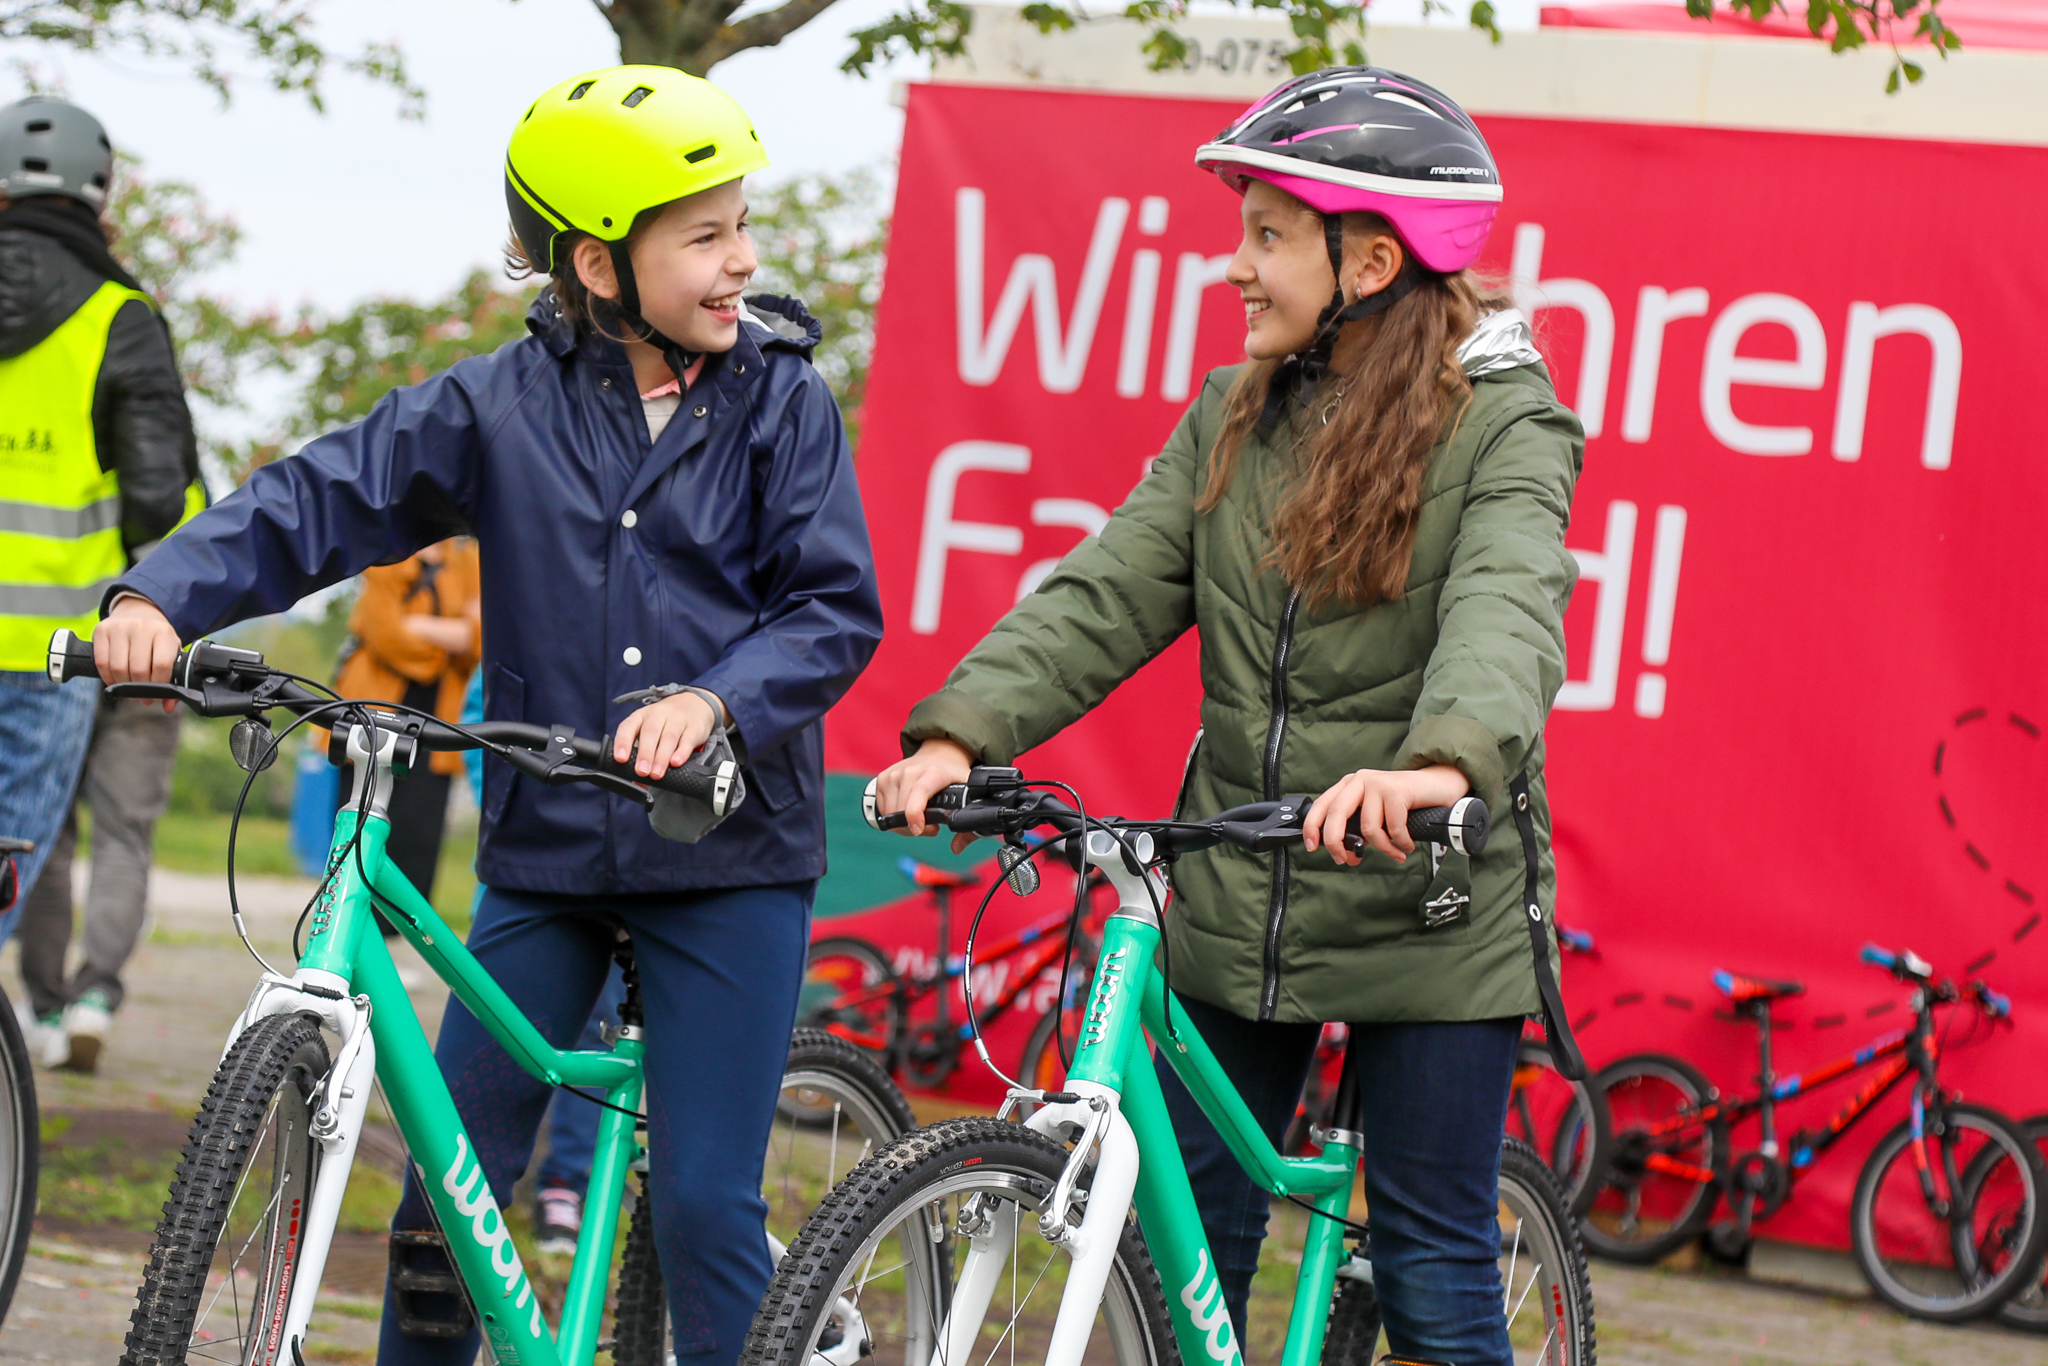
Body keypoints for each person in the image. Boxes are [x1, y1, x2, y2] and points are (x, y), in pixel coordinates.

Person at [92, 64, 881, 1366]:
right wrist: (163, 593)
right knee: (440, 1210)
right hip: (552, 850)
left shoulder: (780, 405)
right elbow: (317, 498)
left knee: (697, 1207)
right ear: (601, 263)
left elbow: (831, 611)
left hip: (727, 857)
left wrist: (713, 700)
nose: (743, 258)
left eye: (746, 224)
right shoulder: (496, 407)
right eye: (709, 235)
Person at [875, 68, 1583, 1366]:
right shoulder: (1236, 417)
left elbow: (1508, 608)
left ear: (1368, 260)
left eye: (1267, 234)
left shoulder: (1507, 431)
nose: (1237, 267)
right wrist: (960, 730)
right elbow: (1106, 588)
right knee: (1179, 1245)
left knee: (1429, 1277)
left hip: (1423, 895)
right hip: (1239, 886)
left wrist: (1437, 765)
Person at [0, 95, 198, 955]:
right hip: (50, 651)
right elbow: (162, 495)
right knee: (10, 860)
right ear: (100, 199)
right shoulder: (120, 316)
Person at [320, 536, 481, 926]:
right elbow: (387, 637)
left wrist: (421, 626)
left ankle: (393, 946)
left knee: (419, 836)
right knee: (356, 824)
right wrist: (450, 640)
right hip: (371, 718)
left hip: (437, 722)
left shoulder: (473, 562)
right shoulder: (386, 554)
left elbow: (482, 641)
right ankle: (341, 931)